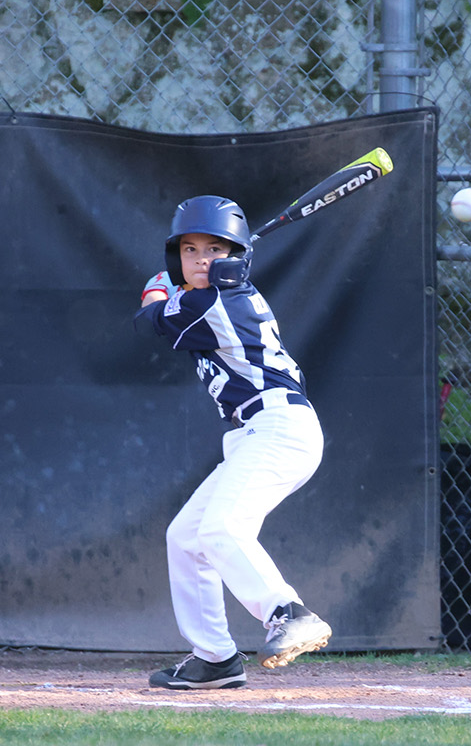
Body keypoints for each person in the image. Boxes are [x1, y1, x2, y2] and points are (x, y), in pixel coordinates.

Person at [133, 195, 334, 690]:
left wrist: (155, 295)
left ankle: (287, 612)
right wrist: (168, 294)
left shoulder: (219, 301)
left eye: (216, 249)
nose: (202, 259)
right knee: (186, 538)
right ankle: (216, 657)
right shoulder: (209, 297)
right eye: (190, 249)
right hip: (255, 434)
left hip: (281, 430)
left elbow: (153, 323)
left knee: (222, 528)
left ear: (238, 257)